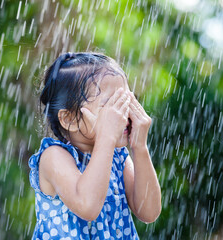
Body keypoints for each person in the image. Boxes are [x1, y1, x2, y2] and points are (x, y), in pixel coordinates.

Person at [28, 52, 162, 240]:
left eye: (126, 102)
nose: (123, 114)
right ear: (68, 119)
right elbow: (87, 206)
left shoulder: (118, 157)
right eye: (111, 107)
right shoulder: (54, 157)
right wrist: (106, 137)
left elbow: (148, 212)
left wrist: (140, 148)